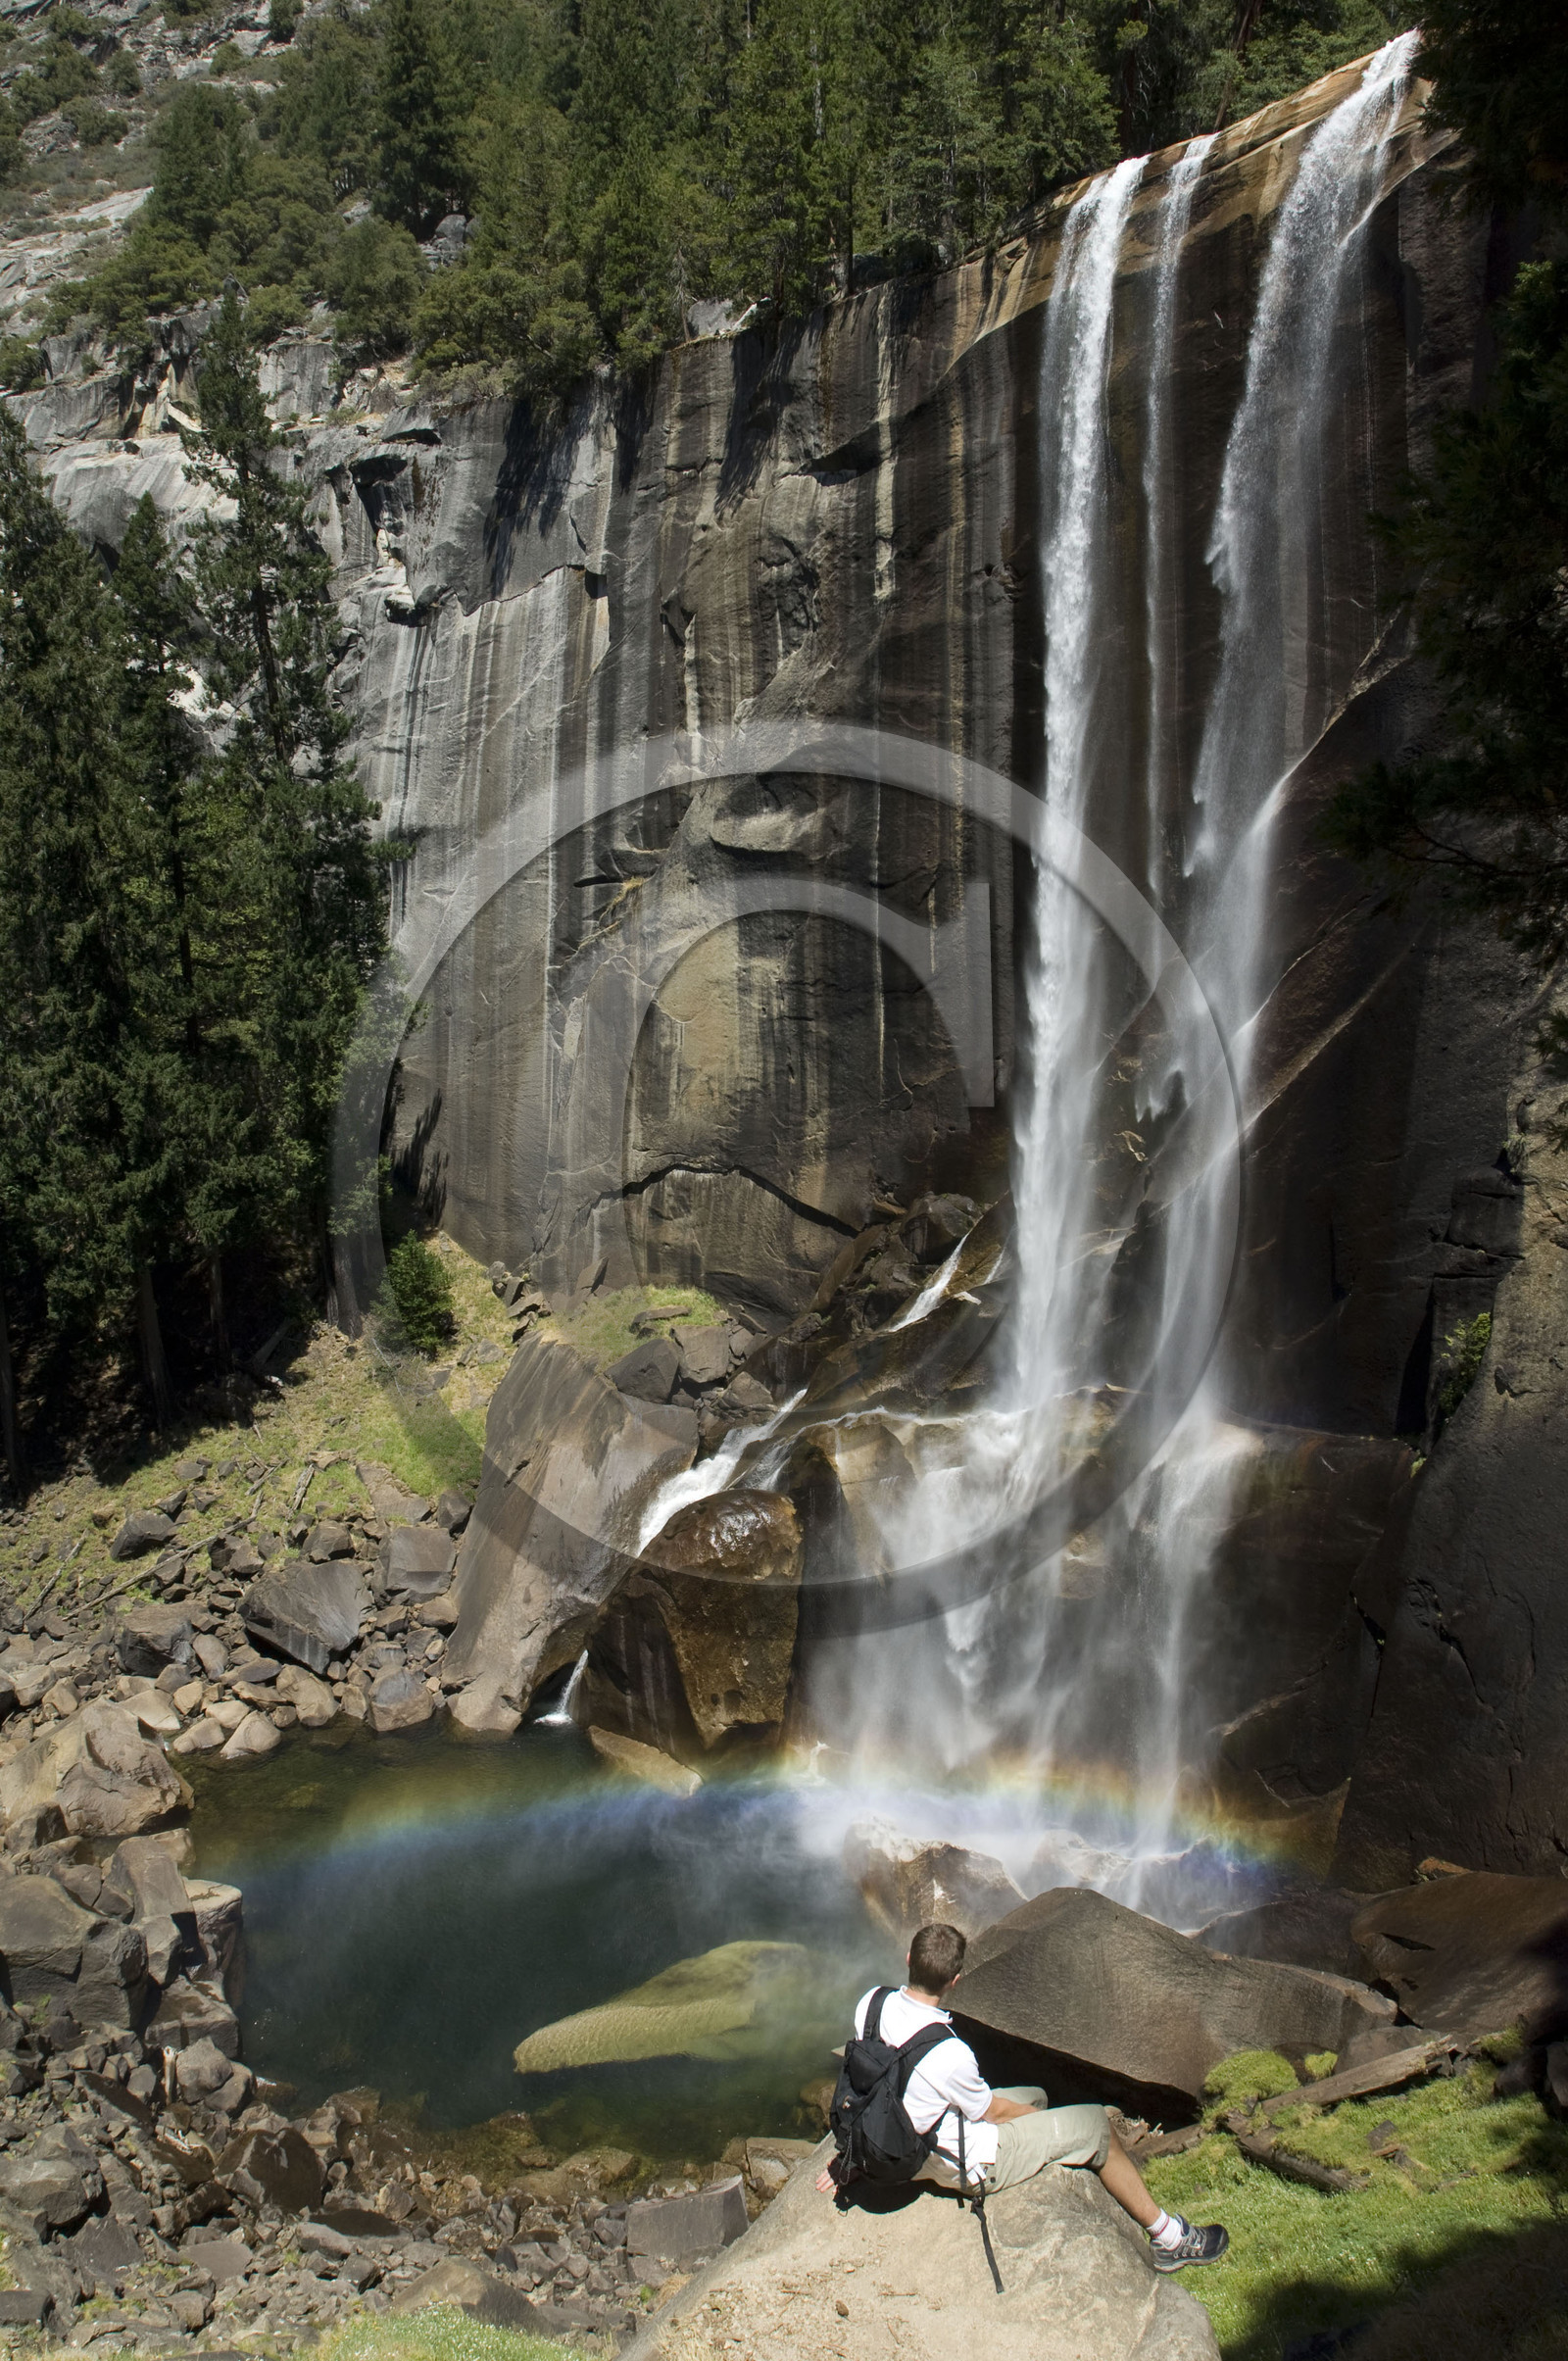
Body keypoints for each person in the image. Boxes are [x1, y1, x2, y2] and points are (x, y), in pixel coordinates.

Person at [818, 1920, 1228, 2273]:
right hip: (953, 2162)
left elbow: (873, 2080)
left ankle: (1051, 2143)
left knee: (1036, 2094)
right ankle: (1169, 2238)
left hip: (886, 2136)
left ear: (909, 1958)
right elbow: (990, 2112)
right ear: (954, 1980)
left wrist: (850, 2157)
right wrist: (1030, 2124)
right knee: (1096, 2129)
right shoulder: (949, 2052)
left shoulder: (870, 2002)